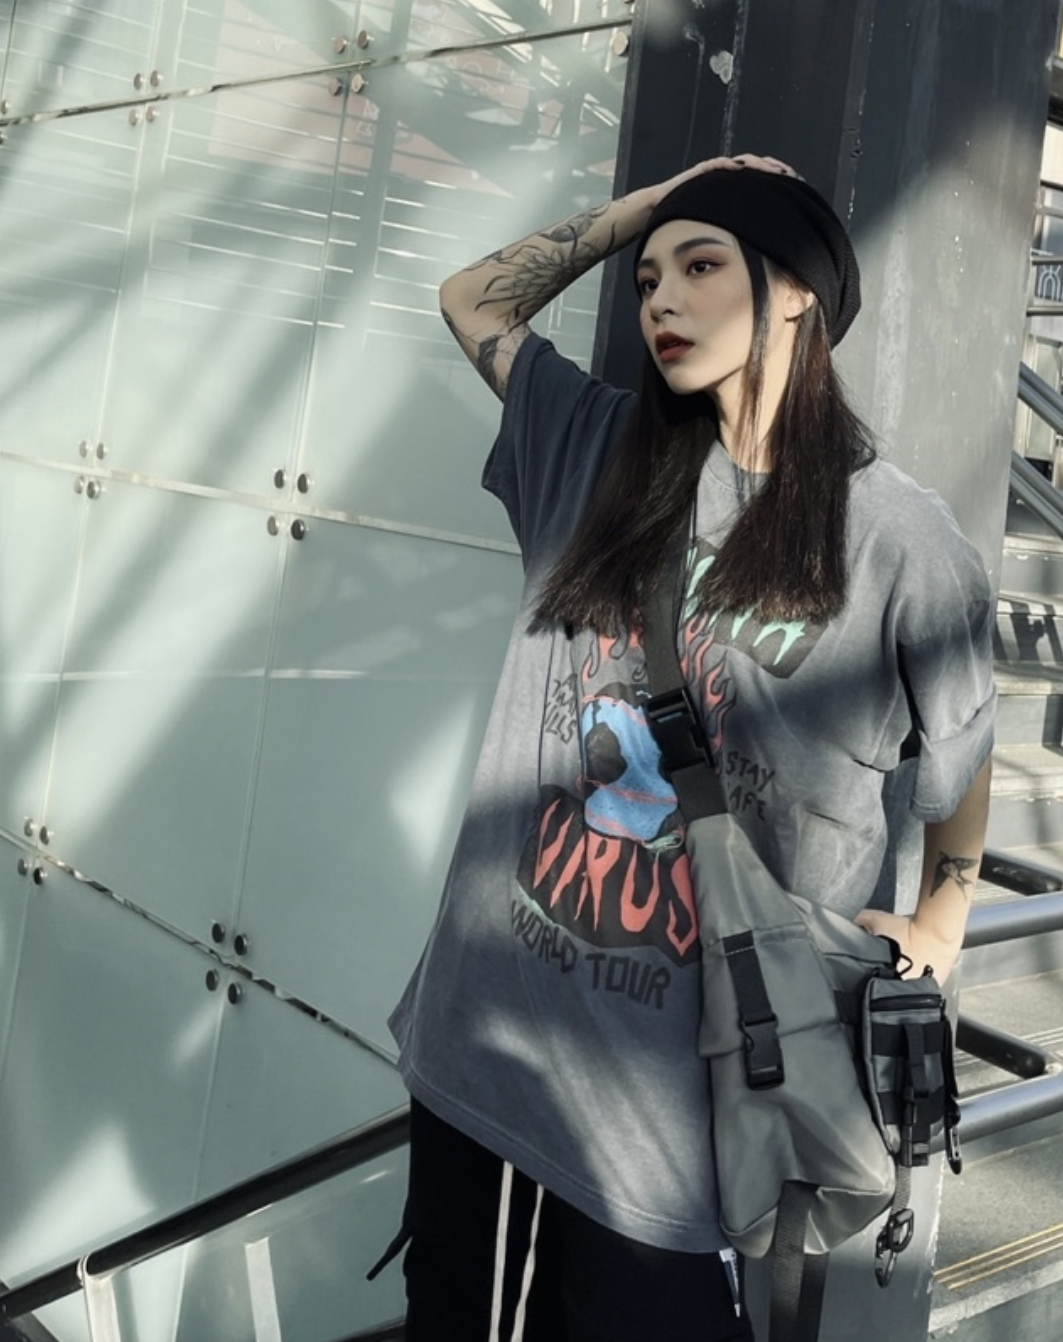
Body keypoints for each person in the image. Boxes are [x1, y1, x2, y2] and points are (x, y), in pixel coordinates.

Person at [382, 154, 995, 1341]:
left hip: (685, 1105)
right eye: (649, 278)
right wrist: (662, 200)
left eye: (702, 266)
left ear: (799, 293)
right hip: (490, 1044)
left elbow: (961, 759)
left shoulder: (903, 544)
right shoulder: (594, 450)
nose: (661, 298)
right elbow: (473, 300)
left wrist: (944, 918)